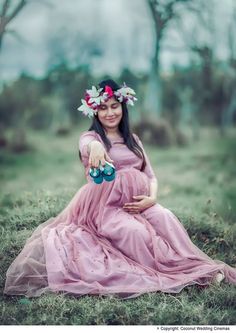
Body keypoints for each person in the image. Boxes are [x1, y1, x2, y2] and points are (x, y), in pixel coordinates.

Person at [4, 79, 236, 300]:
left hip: (141, 203)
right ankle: (167, 274)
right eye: (103, 108)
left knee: (166, 218)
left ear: (123, 107)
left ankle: (194, 267)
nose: (110, 112)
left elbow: (150, 174)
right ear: (94, 111)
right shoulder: (91, 138)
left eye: (115, 106)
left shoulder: (133, 139)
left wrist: (152, 198)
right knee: (136, 233)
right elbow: (85, 145)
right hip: (107, 208)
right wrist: (95, 146)